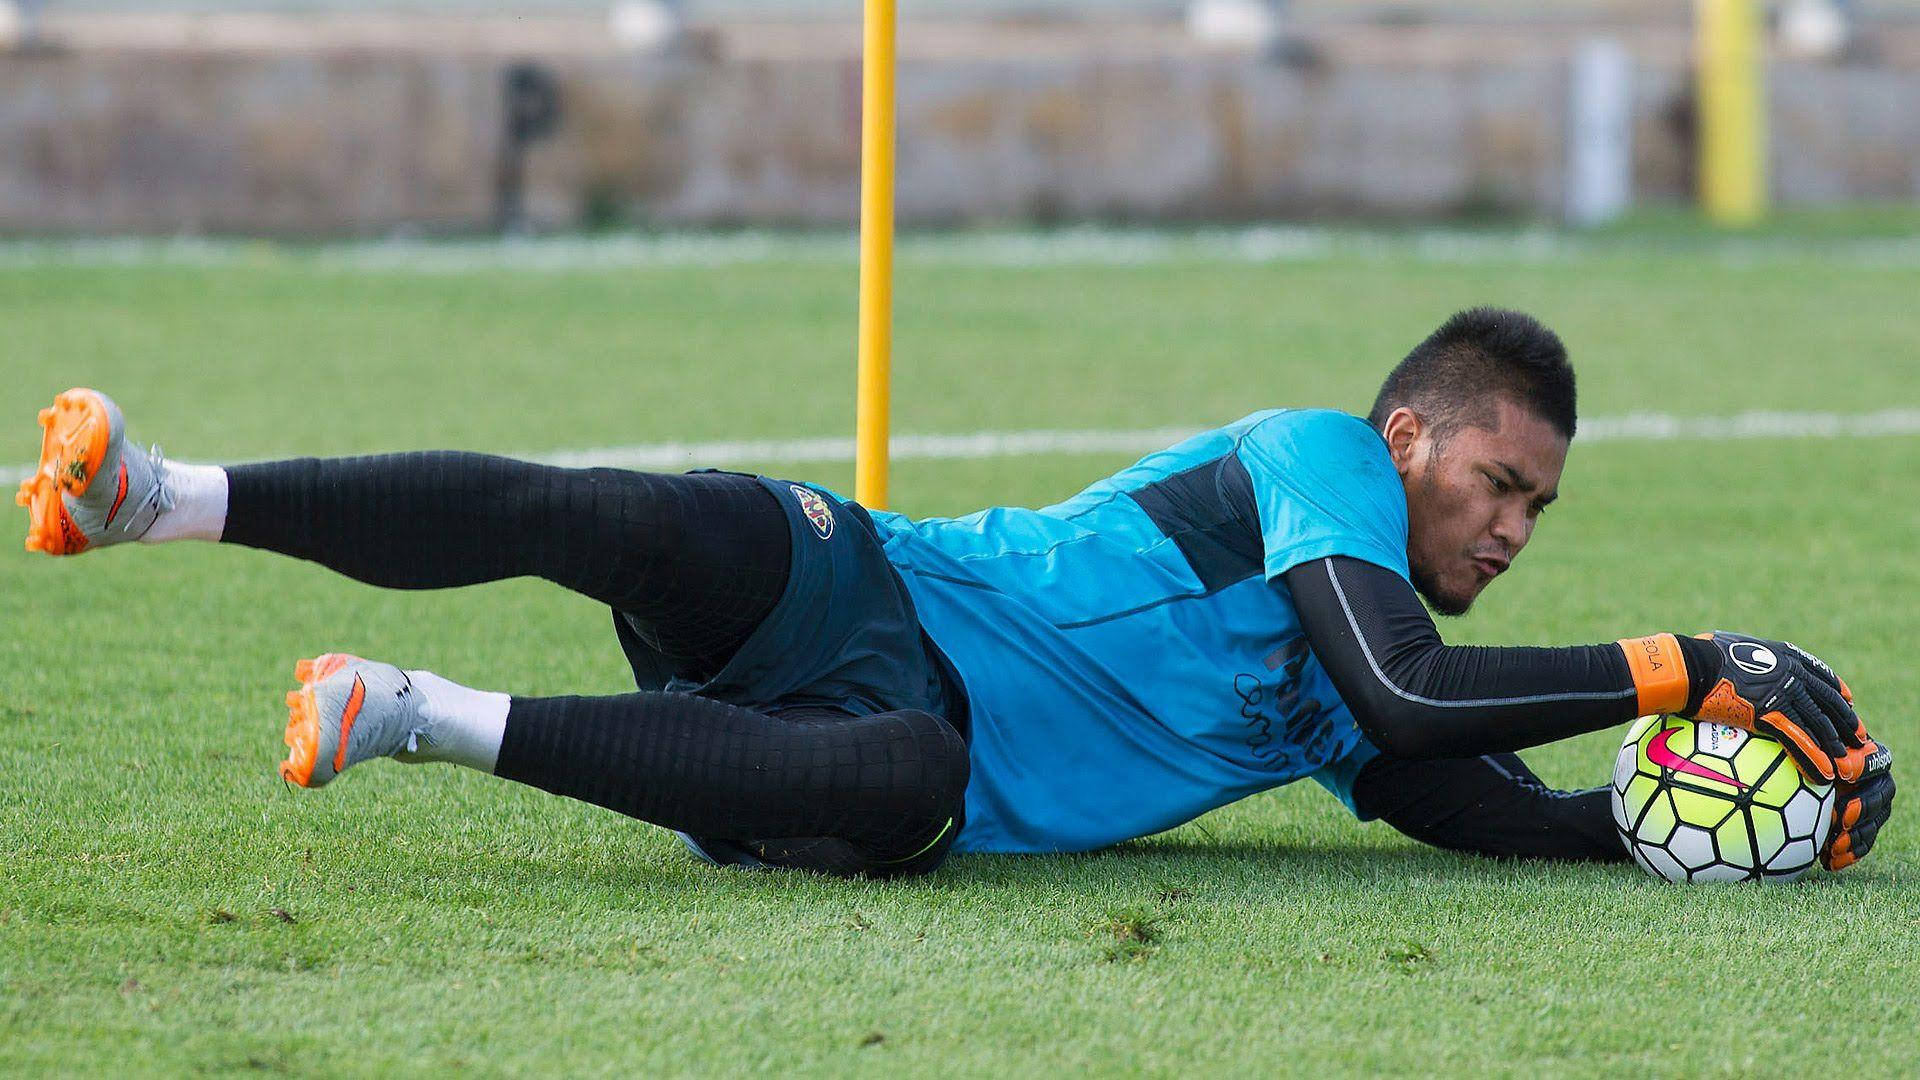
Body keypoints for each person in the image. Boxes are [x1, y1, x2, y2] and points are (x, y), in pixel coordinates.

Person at [15, 307, 1893, 878]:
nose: (1512, 533)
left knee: (909, 784)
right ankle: (156, 496)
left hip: (880, 754)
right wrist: (1689, 663)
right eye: (1501, 486)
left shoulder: (1353, 687)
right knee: (632, 521)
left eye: (1539, 514)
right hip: (873, 589)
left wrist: (1702, 830)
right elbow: (1408, 693)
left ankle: (409, 712)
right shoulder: (1315, 456)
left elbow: (1450, 782)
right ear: (1410, 438)